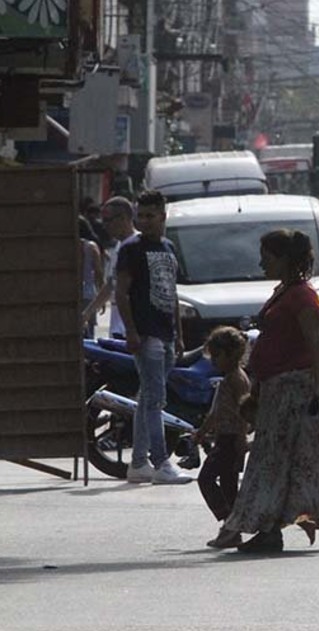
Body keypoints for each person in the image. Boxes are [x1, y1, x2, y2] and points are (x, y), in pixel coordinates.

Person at [221, 229, 319, 552]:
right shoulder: (283, 292)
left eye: (268, 257)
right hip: (276, 390)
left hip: (296, 391)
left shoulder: (303, 296)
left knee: (276, 461)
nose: (262, 263)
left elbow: (316, 344)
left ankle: (269, 531)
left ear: (285, 259)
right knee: (310, 459)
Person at [114, 191, 193, 485]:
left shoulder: (169, 248)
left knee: (148, 399)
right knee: (155, 400)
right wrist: (131, 331)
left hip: (167, 333)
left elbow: (171, 293)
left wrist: (179, 334)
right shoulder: (131, 249)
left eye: (150, 215)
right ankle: (161, 462)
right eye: (141, 216)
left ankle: (138, 463)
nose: (144, 221)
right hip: (146, 334)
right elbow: (121, 292)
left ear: (163, 216)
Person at [195, 327, 252, 549]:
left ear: (231, 354)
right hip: (222, 437)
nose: (214, 361)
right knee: (228, 485)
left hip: (231, 439)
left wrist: (241, 438)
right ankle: (232, 528)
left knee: (207, 479)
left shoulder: (237, 380)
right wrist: (202, 432)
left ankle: (230, 524)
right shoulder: (226, 379)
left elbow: (244, 411)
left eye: (217, 356)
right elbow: (215, 412)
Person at [86, 197, 138, 339]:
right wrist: (88, 313)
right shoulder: (119, 246)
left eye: (108, 220)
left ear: (123, 218)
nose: (105, 226)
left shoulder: (137, 246)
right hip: (118, 326)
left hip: (133, 327)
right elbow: (111, 284)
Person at [80, 228, 104, 338]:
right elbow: (98, 272)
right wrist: (101, 295)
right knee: (89, 329)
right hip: (88, 290)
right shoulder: (91, 246)